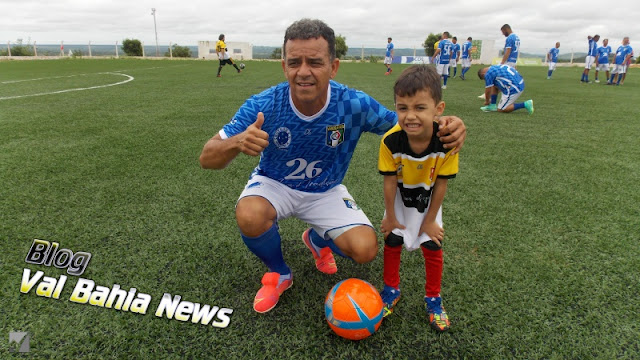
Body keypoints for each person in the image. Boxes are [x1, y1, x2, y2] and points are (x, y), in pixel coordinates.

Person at [199, 18, 468, 314]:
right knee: (250, 214)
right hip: (274, 185)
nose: (303, 72)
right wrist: (236, 142)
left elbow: (407, 124)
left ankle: (316, 238)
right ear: (284, 66)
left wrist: (446, 124)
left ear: (333, 66)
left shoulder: (354, 104)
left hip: (326, 191)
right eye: (294, 62)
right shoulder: (263, 105)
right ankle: (279, 273)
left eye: (314, 62)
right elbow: (207, 157)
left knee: (365, 250)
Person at [378, 65, 459, 332]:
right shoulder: (390, 141)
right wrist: (390, 215)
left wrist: (431, 220)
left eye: (419, 108)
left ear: (438, 109)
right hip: (401, 200)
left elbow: (442, 185)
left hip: (429, 202)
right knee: (392, 239)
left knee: (432, 245)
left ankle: (434, 300)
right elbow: (389, 182)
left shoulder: (446, 141)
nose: (410, 116)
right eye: (402, 108)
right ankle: (391, 290)